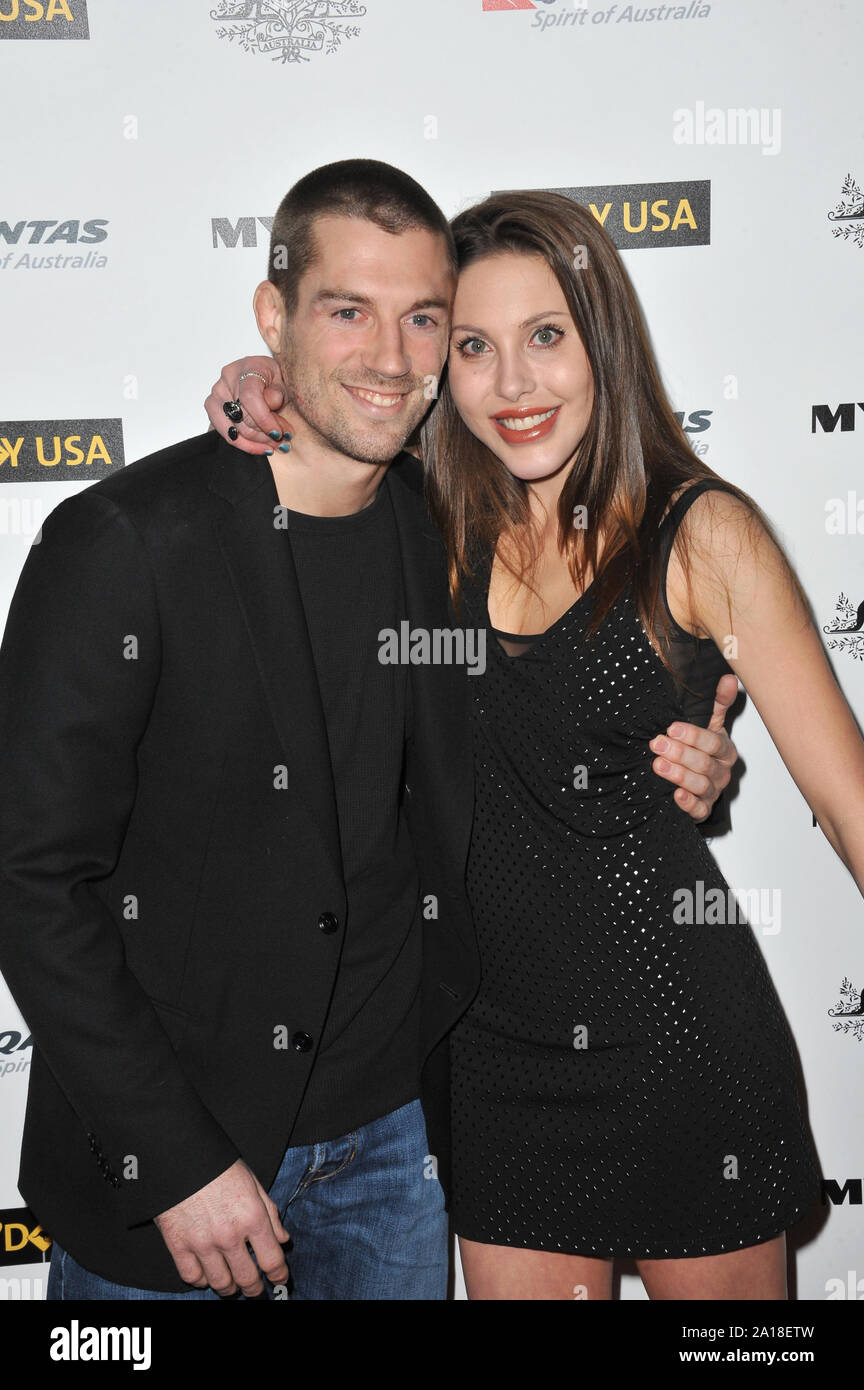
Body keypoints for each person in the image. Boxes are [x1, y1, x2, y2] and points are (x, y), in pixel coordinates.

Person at [0, 160, 731, 1303]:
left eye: (423, 318)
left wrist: (688, 729)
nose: (391, 358)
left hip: (400, 1150)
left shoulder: (454, 530)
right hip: (184, 1167)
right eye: (348, 311)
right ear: (272, 316)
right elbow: (31, 879)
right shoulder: (123, 545)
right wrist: (174, 1161)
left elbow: (578, 679)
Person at [207, 184, 855, 1301]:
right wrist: (256, 381)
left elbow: (850, 805)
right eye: (471, 345)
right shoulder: (422, 519)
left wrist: (710, 774)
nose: (512, 385)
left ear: (600, 340)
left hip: (679, 1048)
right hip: (491, 1067)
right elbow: (309, 421)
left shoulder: (700, 534)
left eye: (545, 337)